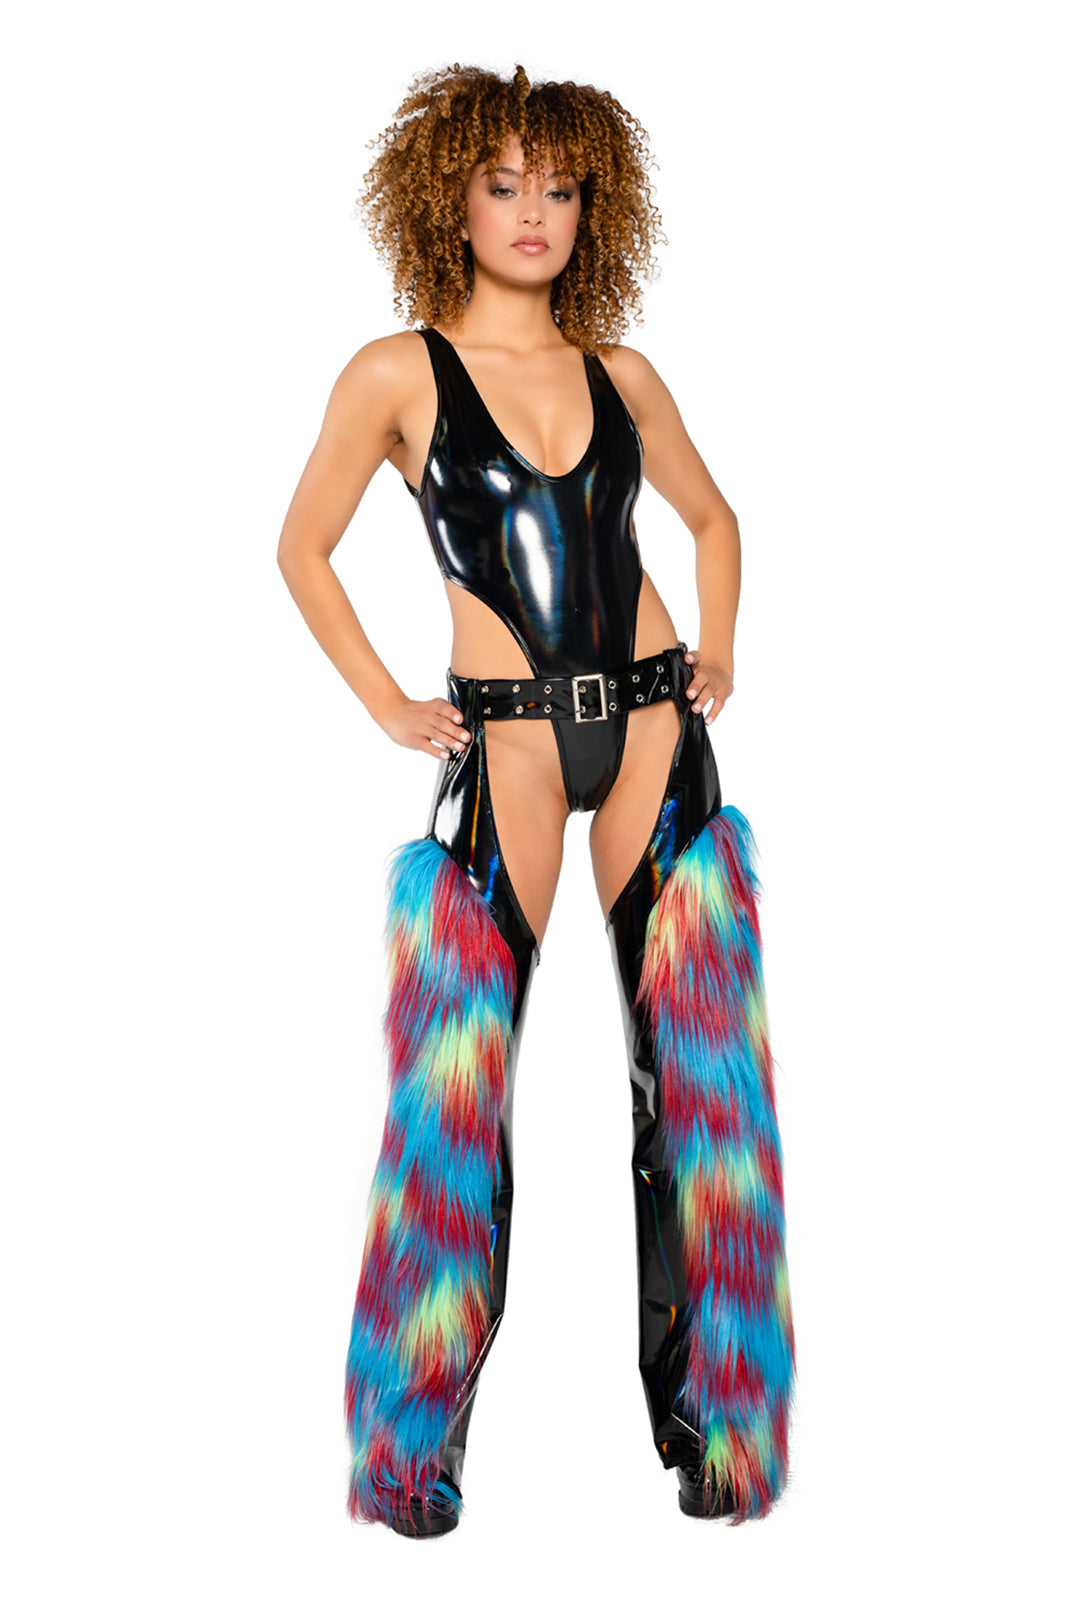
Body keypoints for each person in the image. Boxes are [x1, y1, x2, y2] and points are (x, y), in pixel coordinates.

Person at [277, 62, 796, 1539]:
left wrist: (720, 648)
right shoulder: (397, 373)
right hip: (501, 741)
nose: (532, 213)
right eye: (503, 185)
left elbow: (714, 517)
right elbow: (301, 547)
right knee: (458, 1099)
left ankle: (718, 1427)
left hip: (651, 726)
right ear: (448, 196)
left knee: (697, 1084)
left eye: (559, 189)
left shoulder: (622, 374)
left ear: (592, 208)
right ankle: (413, 1447)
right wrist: (387, 703)